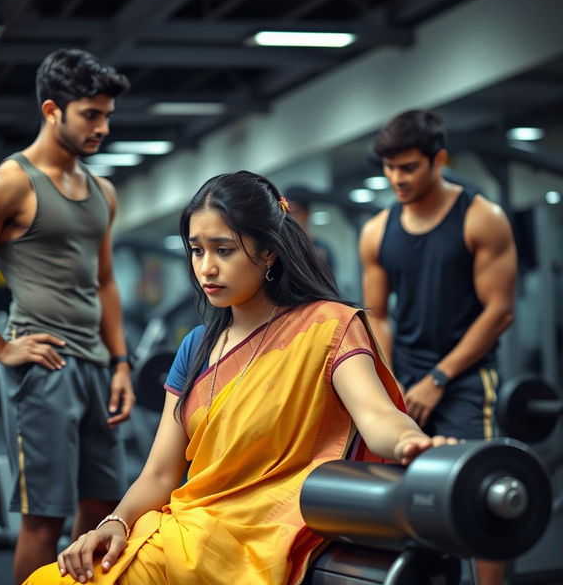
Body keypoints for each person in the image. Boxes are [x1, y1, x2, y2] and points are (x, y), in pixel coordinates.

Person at [25, 170, 456, 585]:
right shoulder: (196, 346)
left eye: (224, 250)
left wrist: (410, 443)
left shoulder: (328, 326)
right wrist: (115, 522)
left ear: (268, 252)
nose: (206, 268)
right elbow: (159, 472)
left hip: (261, 536)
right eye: (196, 250)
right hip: (190, 530)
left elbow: (378, 415)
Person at [0, 48, 136, 584]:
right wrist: (0, 346)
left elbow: (105, 281)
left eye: (107, 115)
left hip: (96, 366)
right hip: (42, 369)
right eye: (91, 114)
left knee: (105, 503)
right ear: (51, 111)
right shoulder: (9, 184)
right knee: (45, 519)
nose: (103, 127)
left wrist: (121, 363)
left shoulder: (102, 192)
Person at [359, 109, 517, 585]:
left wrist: (439, 378)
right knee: (410, 495)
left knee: (483, 493)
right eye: (389, 168)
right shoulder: (376, 231)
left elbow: (499, 311)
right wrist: (390, 383)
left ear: (438, 160)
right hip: (405, 380)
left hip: (466, 379)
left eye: (408, 167)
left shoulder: (481, 218)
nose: (396, 178)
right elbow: (378, 315)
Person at [285, 186, 335, 272]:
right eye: (286, 213)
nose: (290, 218)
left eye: (294, 212)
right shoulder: (281, 248)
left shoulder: (322, 249)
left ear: (306, 213)